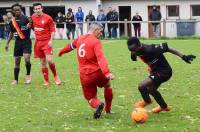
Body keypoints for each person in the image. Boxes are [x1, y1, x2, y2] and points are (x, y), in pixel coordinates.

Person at [58, 23, 114, 119]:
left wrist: (61, 52)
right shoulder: (96, 42)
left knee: (90, 98)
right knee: (107, 85)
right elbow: (101, 58)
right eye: (100, 31)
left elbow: (70, 46)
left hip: (85, 75)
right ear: (95, 29)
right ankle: (107, 109)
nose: (101, 34)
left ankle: (98, 104)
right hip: (97, 73)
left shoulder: (80, 39)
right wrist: (107, 72)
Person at [127, 37, 196, 113]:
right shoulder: (136, 50)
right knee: (152, 90)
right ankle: (164, 107)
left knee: (141, 86)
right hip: (155, 71)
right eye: (130, 50)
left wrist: (183, 56)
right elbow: (134, 54)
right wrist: (133, 55)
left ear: (139, 46)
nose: (132, 52)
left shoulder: (151, 49)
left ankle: (147, 101)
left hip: (164, 72)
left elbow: (168, 48)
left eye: (133, 50)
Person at [31, 3, 61, 86]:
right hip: (38, 43)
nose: (37, 10)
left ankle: (55, 76)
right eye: (36, 9)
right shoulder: (33, 17)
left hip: (46, 42)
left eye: (39, 8)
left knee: (49, 60)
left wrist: (51, 40)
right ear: (34, 10)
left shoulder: (48, 18)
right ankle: (46, 80)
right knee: (43, 63)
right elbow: (32, 27)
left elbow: (53, 30)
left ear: (42, 8)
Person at [5, 3, 32, 84]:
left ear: (21, 9)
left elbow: (32, 25)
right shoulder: (12, 21)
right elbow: (11, 33)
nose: (17, 11)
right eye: (15, 10)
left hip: (26, 41)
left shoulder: (27, 18)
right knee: (17, 61)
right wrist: (7, 43)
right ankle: (16, 80)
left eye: (18, 9)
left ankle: (28, 75)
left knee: (27, 58)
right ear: (13, 11)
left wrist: (30, 23)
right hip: (18, 43)